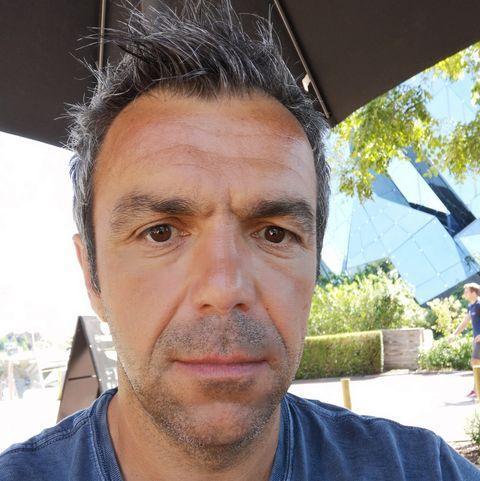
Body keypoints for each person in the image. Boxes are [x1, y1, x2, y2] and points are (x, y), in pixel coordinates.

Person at [1, 1, 479, 480]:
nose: (225, 287)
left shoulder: (423, 470)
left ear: (314, 265)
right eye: (160, 232)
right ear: (92, 275)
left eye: (274, 233)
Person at [452, 282, 480, 397]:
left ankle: (477, 389)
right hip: (476, 340)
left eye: (466, 291)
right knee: (476, 363)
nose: (464, 294)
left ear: (473, 293)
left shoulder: (479, 304)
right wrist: (454, 334)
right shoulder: (471, 306)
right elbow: (465, 321)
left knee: (475, 362)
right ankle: (476, 388)